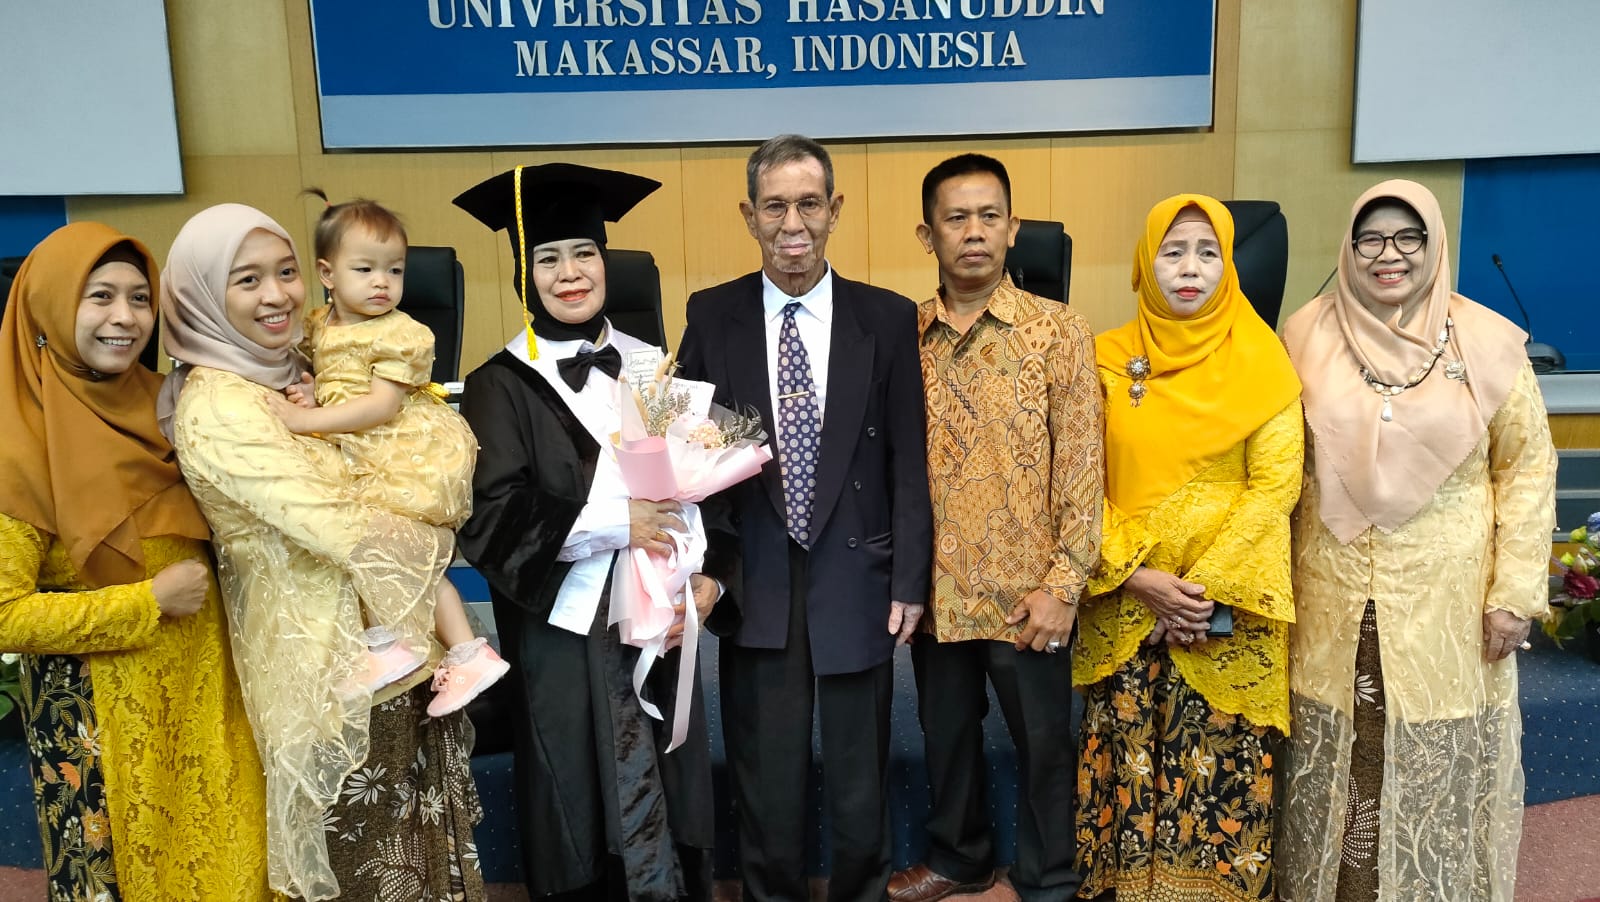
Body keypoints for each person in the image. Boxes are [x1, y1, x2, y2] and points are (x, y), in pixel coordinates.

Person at [159, 203, 484, 902]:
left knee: (416, 857)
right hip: (329, 677)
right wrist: (436, 527)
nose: (276, 294)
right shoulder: (219, 405)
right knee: (370, 871)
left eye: (284, 273)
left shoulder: (287, 371)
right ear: (201, 294)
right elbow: (343, 525)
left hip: (392, 650)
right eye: (247, 280)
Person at [1277, 179, 1555, 902]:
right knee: (1344, 751)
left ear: (1435, 245)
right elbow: (1281, 464)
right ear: (1348, 247)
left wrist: (1514, 594)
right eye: (1371, 238)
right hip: (1332, 593)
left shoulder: (1488, 343)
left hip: (1448, 603)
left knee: (1433, 757)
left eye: (1409, 237)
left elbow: (1526, 469)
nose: (1388, 254)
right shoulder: (1304, 336)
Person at [452, 162, 722, 902]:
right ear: (523, 274)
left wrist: (707, 580)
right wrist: (615, 523)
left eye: (584, 254)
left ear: (607, 262)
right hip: (564, 636)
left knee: (670, 777)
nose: (569, 273)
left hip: (660, 625)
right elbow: (490, 518)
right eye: (548, 259)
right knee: (577, 789)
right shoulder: (496, 385)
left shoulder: (655, 367)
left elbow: (708, 491)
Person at [676, 134, 934, 902]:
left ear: (835, 210)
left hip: (858, 573)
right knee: (766, 783)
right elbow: (691, 456)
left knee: (860, 786)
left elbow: (908, 461)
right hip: (754, 575)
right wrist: (704, 570)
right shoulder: (712, 315)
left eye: (810, 204)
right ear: (749, 214)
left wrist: (910, 579)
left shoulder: (886, 318)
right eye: (776, 206)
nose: (793, 223)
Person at [0, 222, 273, 900]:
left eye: (139, 297)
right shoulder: (16, 440)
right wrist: (146, 602)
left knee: (236, 865)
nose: (125, 317)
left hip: (212, 689)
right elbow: (5, 615)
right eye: (99, 296)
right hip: (100, 723)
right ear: (49, 306)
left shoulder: (176, 403)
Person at [1074, 195, 1303, 902]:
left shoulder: (1265, 361)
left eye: (1208, 252)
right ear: (1146, 263)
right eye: (1173, 252)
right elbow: (1077, 481)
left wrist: (1199, 596)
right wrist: (1139, 577)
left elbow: (1276, 486)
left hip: (1223, 610)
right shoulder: (1105, 359)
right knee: (1130, 759)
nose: (1190, 268)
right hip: (1128, 599)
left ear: (1229, 266)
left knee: (1220, 770)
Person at [888, 153, 1101, 902]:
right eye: (956, 218)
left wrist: (1065, 586)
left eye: (989, 216)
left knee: (1044, 745)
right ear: (928, 235)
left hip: (1028, 595)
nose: (973, 232)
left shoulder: (1058, 331)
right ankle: (960, 859)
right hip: (938, 592)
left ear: (1013, 228)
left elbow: (1083, 465)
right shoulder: (903, 337)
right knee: (946, 737)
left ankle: (1048, 879)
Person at [269, 193, 505, 717]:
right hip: (359, 449)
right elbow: (329, 379)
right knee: (366, 547)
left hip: (401, 453)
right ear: (327, 274)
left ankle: (456, 651)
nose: (382, 283)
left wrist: (306, 419)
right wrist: (313, 391)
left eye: (394, 270)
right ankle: (398, 644)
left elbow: (379, 405)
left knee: (395, 548)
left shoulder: (400, 333)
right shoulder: (320, 323)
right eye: (366, 269)